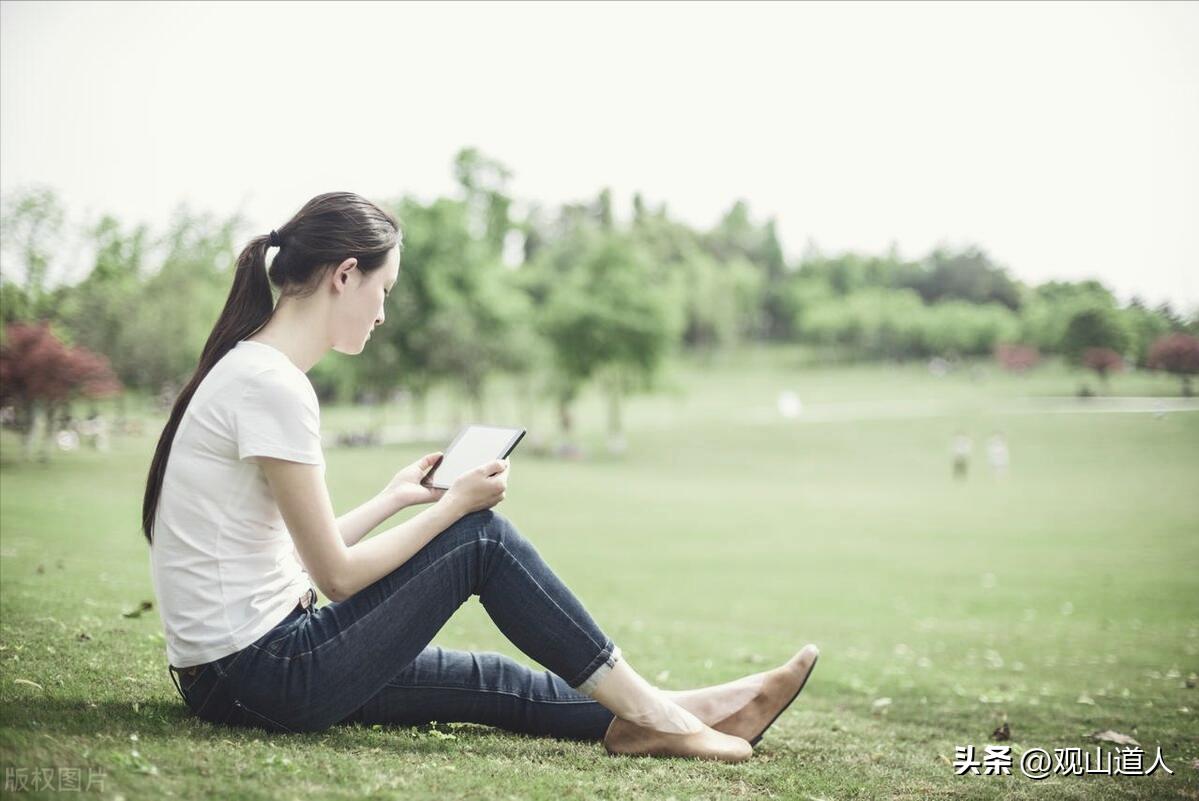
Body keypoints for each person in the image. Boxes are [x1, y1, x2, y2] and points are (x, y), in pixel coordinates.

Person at [142, 192, 818, 763]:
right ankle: (662, 718)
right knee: (481, 539)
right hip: (263, 675)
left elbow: (290, 554)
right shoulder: (273, 387)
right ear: (345, 275)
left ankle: (700, 708)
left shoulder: (251, 369)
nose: (382, 314)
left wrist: (393, 499)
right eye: (383, 291)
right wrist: (451, 508)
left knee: (490, 679)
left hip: (240, 672)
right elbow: (337, 576)